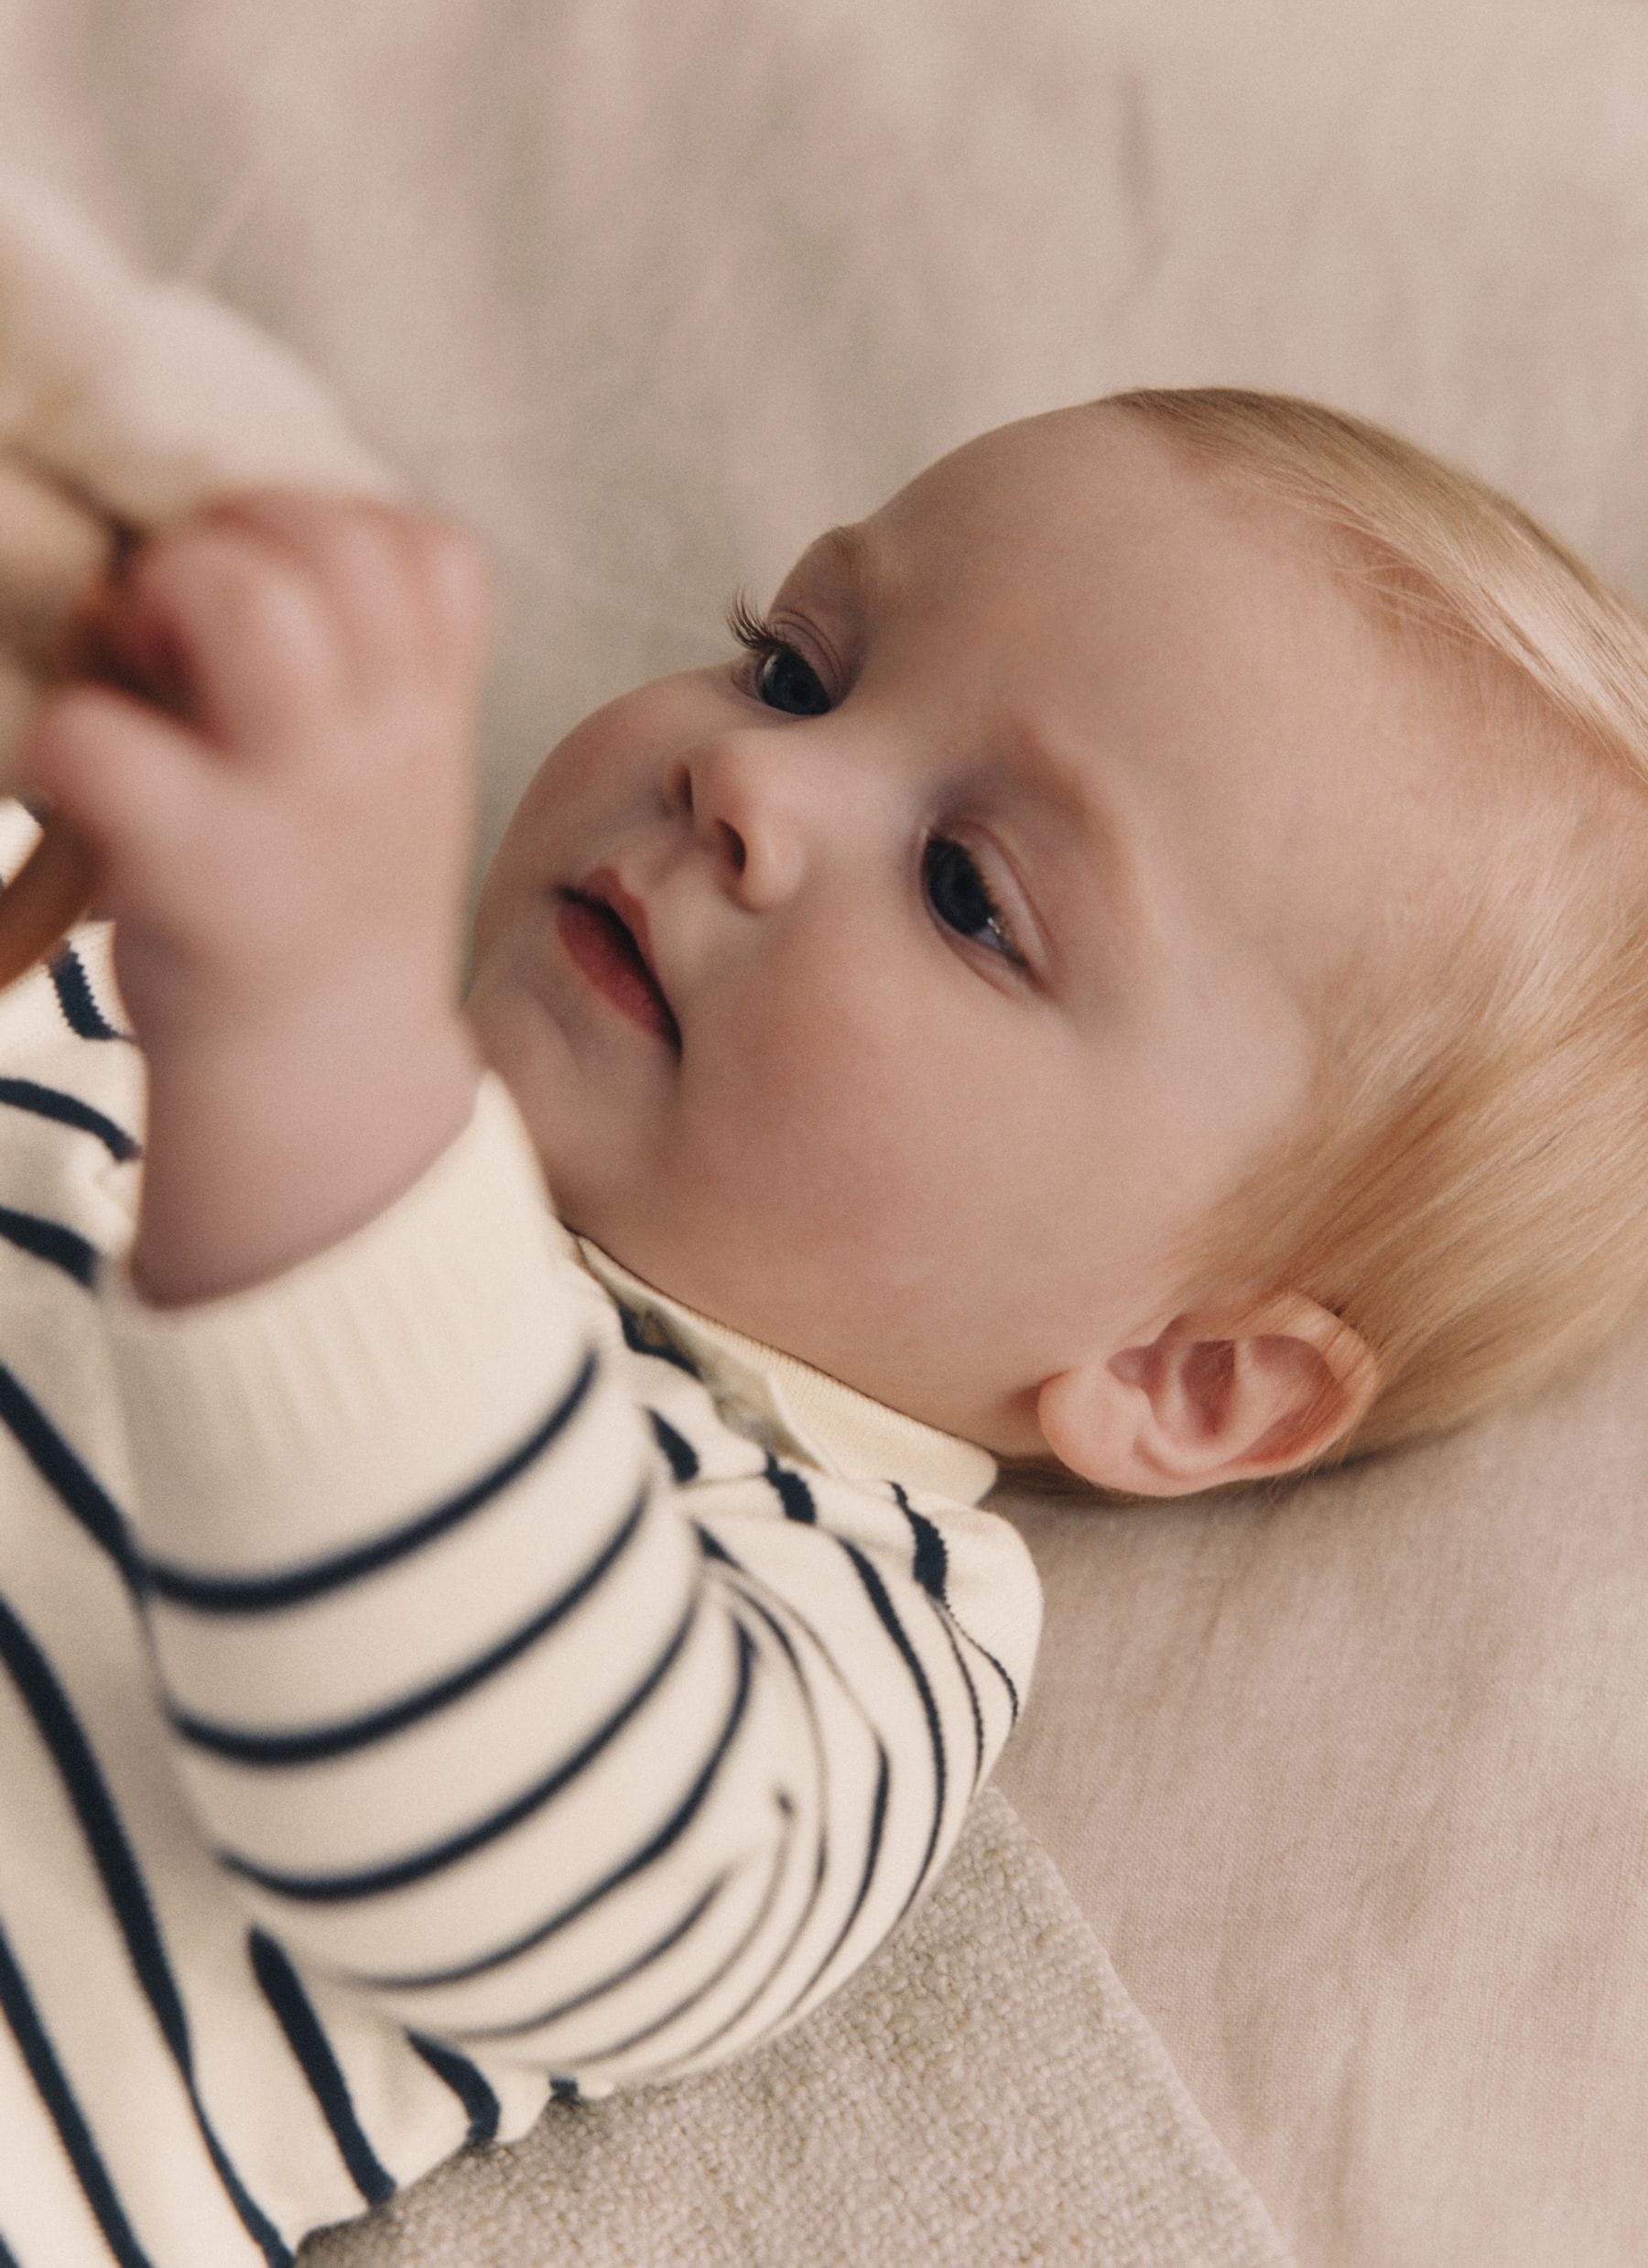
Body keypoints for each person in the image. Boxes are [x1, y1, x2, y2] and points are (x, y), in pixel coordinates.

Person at [3, 388, 1643, 2264]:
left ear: (1179, 1374)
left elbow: (492, 1812)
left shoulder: (829, 1617)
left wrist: (313, 1056)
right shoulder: (118, 975)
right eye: (790, 670)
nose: (753, 783)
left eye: (968, 894)